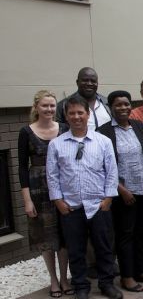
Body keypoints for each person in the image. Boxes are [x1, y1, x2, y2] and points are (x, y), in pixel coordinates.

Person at [46, 95, 122, 299]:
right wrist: (58, 201)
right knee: (76, 250)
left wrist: (108, 199)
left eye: (81, 112)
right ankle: (81, 286)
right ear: (66, 116)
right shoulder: (56, 144)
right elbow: (52, 176)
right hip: (70, 207)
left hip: (99, 205)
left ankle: (107, 283)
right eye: (72, 113)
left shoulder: (103, 141)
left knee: (104, 248)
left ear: (88, 114)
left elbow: (112, 172)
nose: (77, 116)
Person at [98, 91, 143, 293]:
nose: (123, 108)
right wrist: (121, 190)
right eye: (118, 105)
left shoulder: (139, 126)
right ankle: (127, 276)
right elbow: (103, 167)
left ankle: (140, 269)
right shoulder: (104, 132)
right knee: (126, 235)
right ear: (111, 108)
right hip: (123, 193)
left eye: (126, 104)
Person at [19, 90, 72, 298]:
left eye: (52, 105)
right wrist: (27, 200)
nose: (49, 109)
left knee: (65, 234)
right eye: (45, 105)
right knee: (46, 236)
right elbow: (22, 168)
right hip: (39, 189)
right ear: (36, 107)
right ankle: (53, 279)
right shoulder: (26, 132)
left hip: (63, 186)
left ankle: (65, 278)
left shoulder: (65, 128)